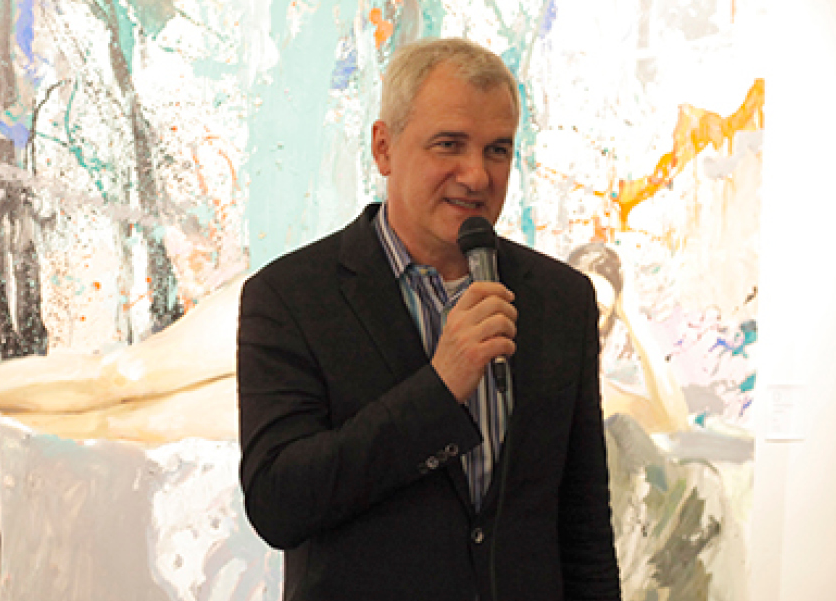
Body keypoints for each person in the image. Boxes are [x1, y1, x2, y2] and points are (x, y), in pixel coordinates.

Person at [236, 37, 620, 600]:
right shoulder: (291, 297)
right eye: (449, 145)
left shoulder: (561, 299)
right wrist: (439, 389)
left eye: (497, 150)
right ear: (384, 148)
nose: (477, 175)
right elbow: (279, 504)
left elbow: (583, 524)